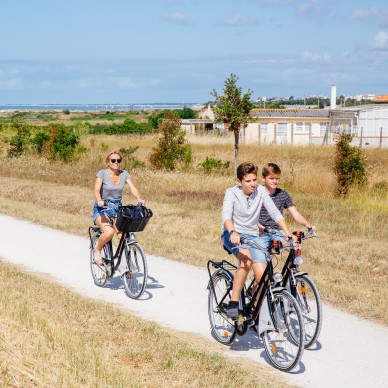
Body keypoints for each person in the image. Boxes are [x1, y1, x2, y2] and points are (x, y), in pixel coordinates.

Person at [221, 162, 296, 319]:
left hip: (254, 236)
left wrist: (288, 234)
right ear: (239, 182)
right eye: (248, 181)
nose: (253, 184)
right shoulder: (231, 193)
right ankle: (233, 303)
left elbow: (275, 213)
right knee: (246, 260)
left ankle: (254, 311)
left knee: (263, 276)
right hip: (233, 234)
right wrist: (233, 232)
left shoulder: (261, 191)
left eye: (254, 180)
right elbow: (227, 217)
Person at [92, 150, 144, 265]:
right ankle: (97, 250)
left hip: (117, 208)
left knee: (123, 236)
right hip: (102, 208)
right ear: (108, 162)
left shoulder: (124, 174)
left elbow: (132, 188)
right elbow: (96, 190)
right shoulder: (102, 173)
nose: (116, 162)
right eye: (113, 160)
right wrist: (100, 200)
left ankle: (124, 266)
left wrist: (139, 198)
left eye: (118, 160)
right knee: (109, 232)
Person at [258, 162, 317, 253]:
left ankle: (291, 267)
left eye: (277, 178)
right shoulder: (257, 193)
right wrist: (258, 225)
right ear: (263, 178)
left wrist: (308, 225)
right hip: (260, 232)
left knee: (297, 249)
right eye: (271, 178)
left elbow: (296, 215)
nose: (275, 181)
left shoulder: (283, 194)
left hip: (277, 231)